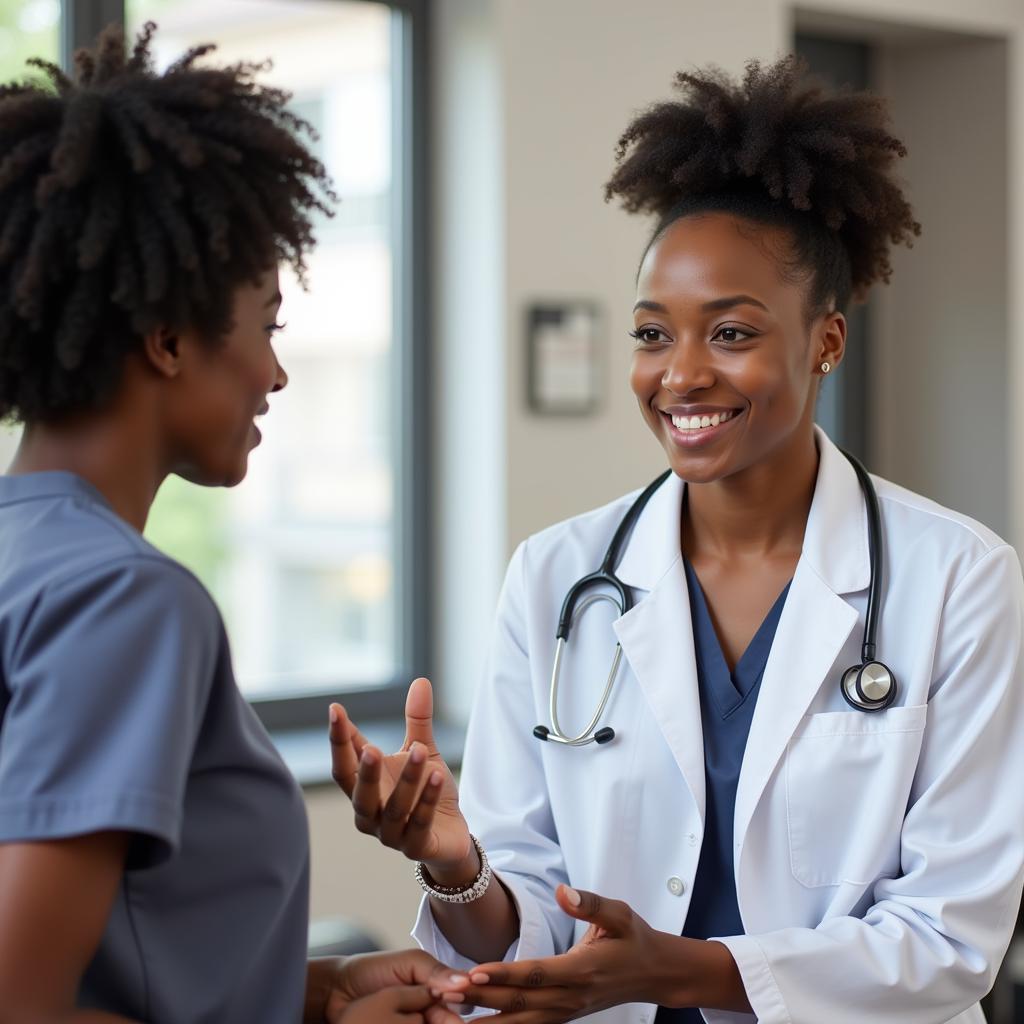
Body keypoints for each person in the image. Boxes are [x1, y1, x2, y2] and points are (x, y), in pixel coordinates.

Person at [329, 57, 1024, 1023]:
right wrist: (458, 867)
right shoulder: (557, 577)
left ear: (826, 340)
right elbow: (526, 912)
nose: (680, 375)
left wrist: (676, 971)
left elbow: (951, 939)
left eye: (731, 333)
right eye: (654, 335)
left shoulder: (959, 578)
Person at [0, 24, 467, 1024]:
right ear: (168, 339)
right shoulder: (121, 598)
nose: (277, 372)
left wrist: (320, 991)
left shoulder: (26, 559)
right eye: (266, 324)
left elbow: (116, 969)